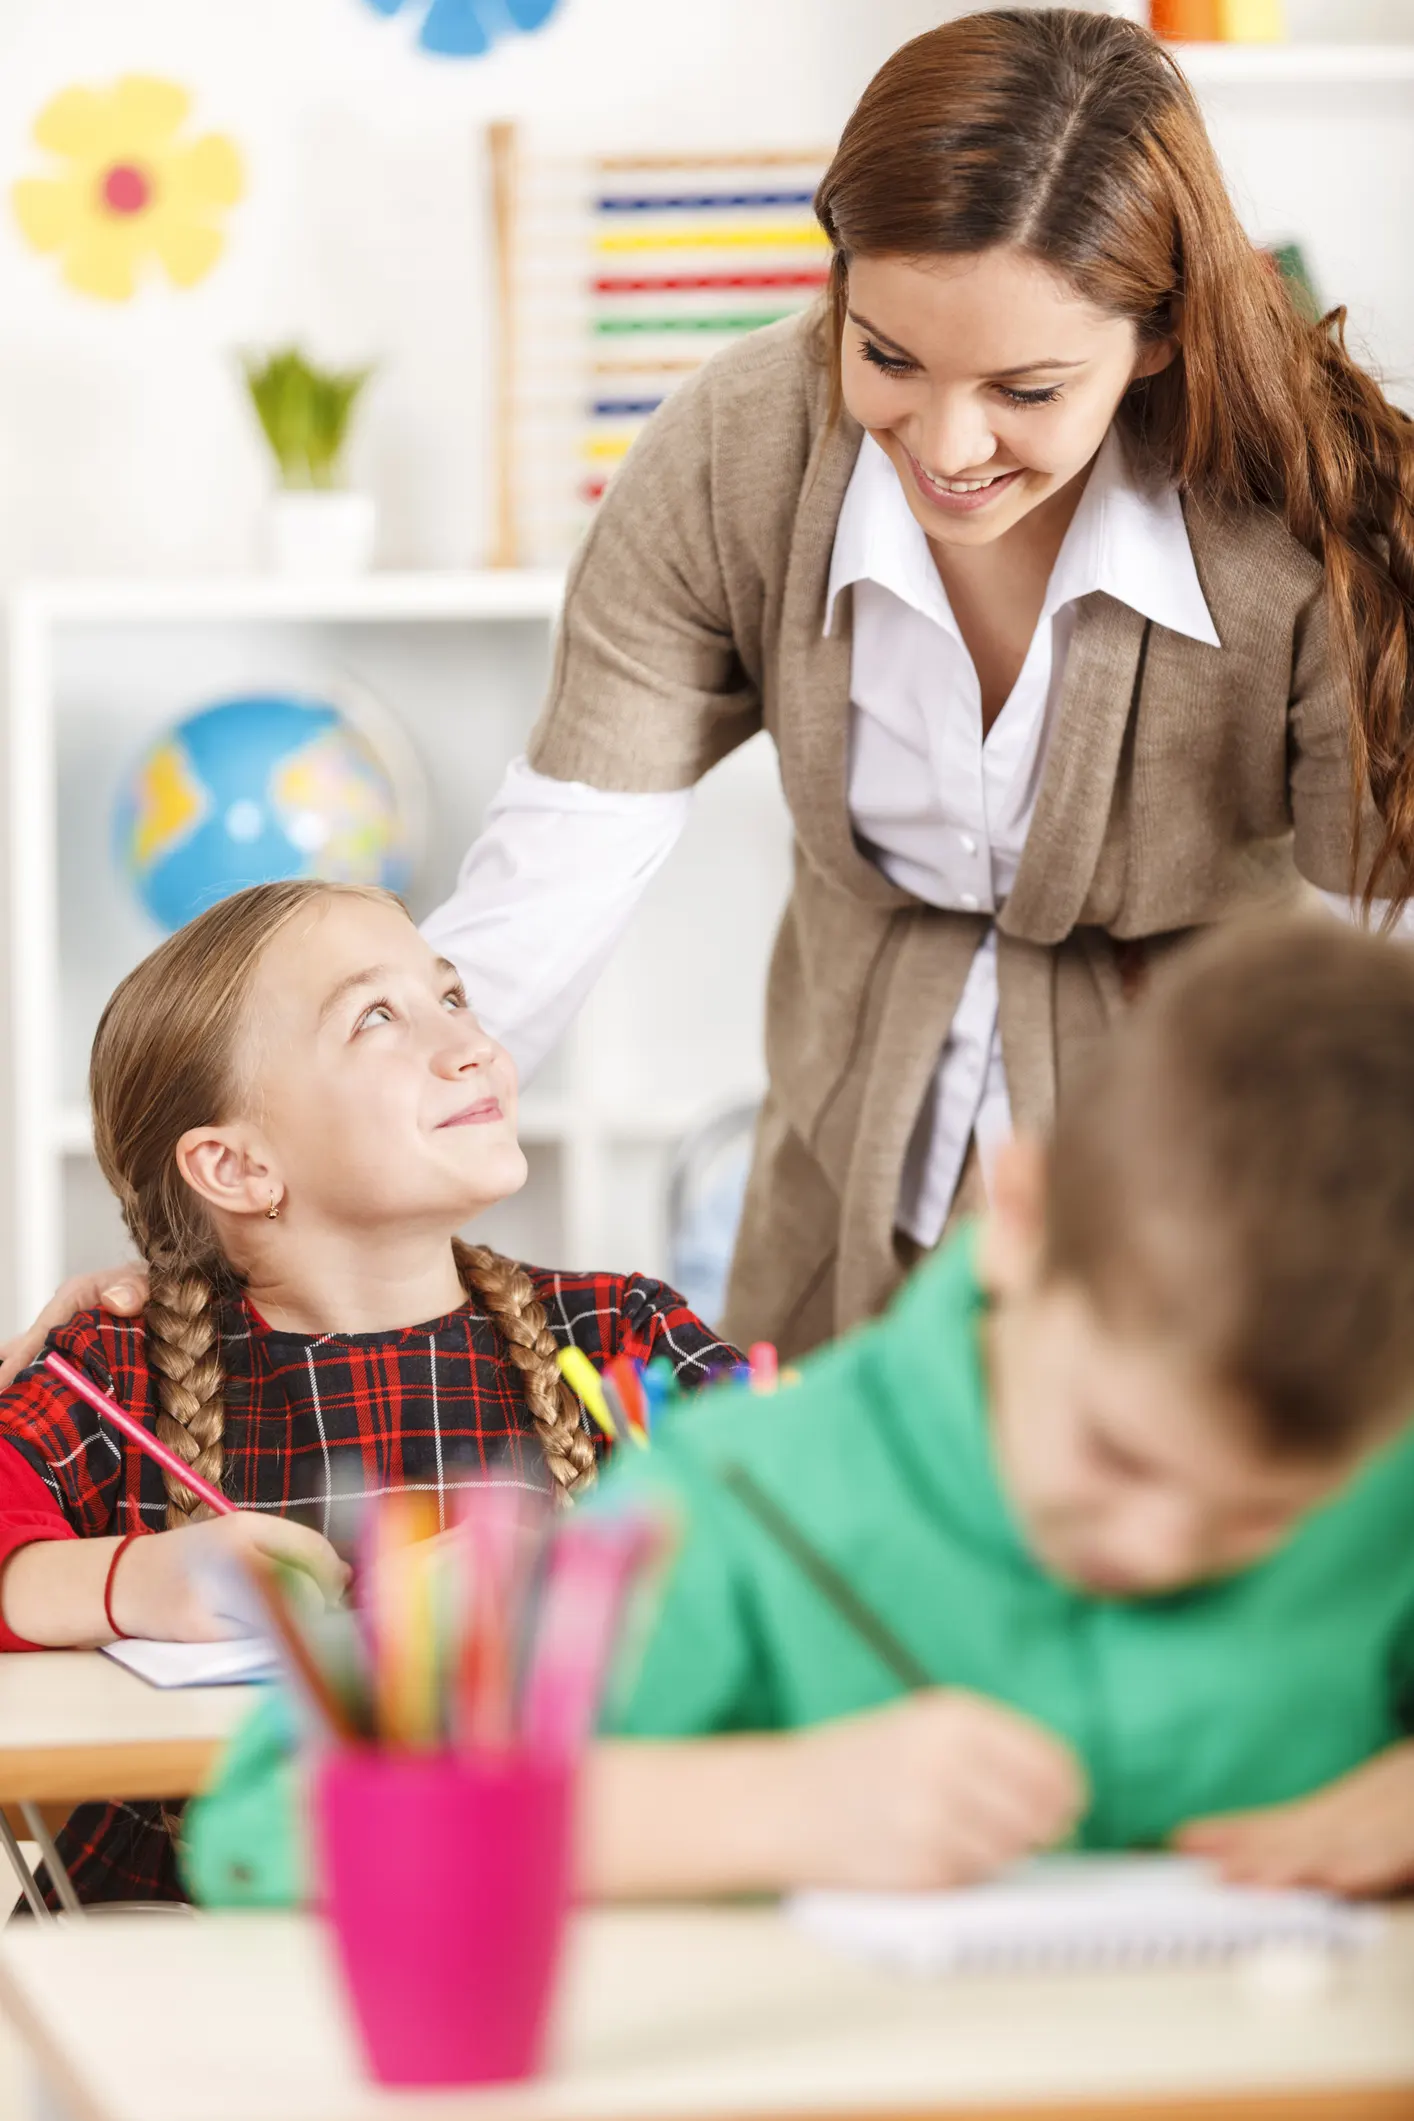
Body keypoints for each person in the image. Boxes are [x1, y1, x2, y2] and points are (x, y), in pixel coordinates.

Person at [9, 8, 1414, 1380]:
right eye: (887, 357)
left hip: (1207, 1168)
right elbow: (553, 873)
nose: (944, 442)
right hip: (846, 1171)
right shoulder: (737, 455)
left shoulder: (1305, 529)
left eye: (1026, 388)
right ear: (838, 288)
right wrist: (229, 1248)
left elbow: (1378, 971)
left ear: (1155, 338)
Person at [186, 918, 1414, 1908]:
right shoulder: (734, 1503)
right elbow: (270, 1820)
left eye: (1261, 1520)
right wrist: (775, 1806)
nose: (1155, 1550)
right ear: (1018, 1224)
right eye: (1116, 1453)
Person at [0, 881, 732, 1903]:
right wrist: (136, 1583)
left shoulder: (618, 1336)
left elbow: (813, 1523)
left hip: (556, 1940)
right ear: (238, 1165)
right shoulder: (116, 1366)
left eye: (452, 996)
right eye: (376, 1017)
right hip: (185, 1968)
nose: (470, 1043)